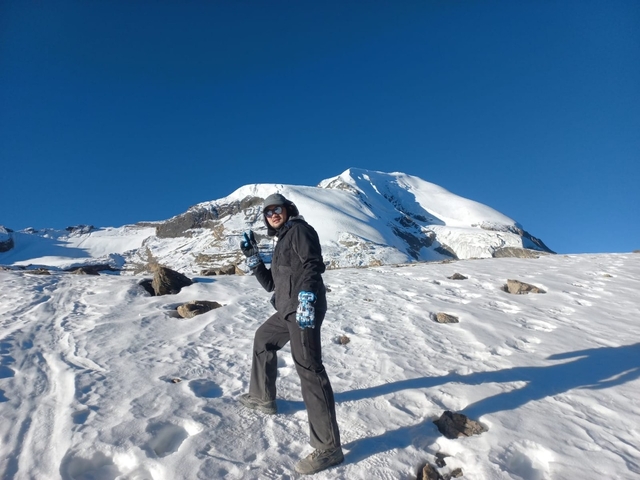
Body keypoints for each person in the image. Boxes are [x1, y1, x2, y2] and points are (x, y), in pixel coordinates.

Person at [238, 193, 343, 475]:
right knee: (263, 339)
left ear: (288, 210)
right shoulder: (281, 240)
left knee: (309, 368)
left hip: (303, 306)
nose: (273, 214)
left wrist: (307, 294)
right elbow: (272, 284)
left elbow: (313, 263)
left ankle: (329, 447)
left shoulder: (299, 230)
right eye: (268, 211)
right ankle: (263, 397)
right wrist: (253, 259)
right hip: (287, 309)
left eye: (277, 209)